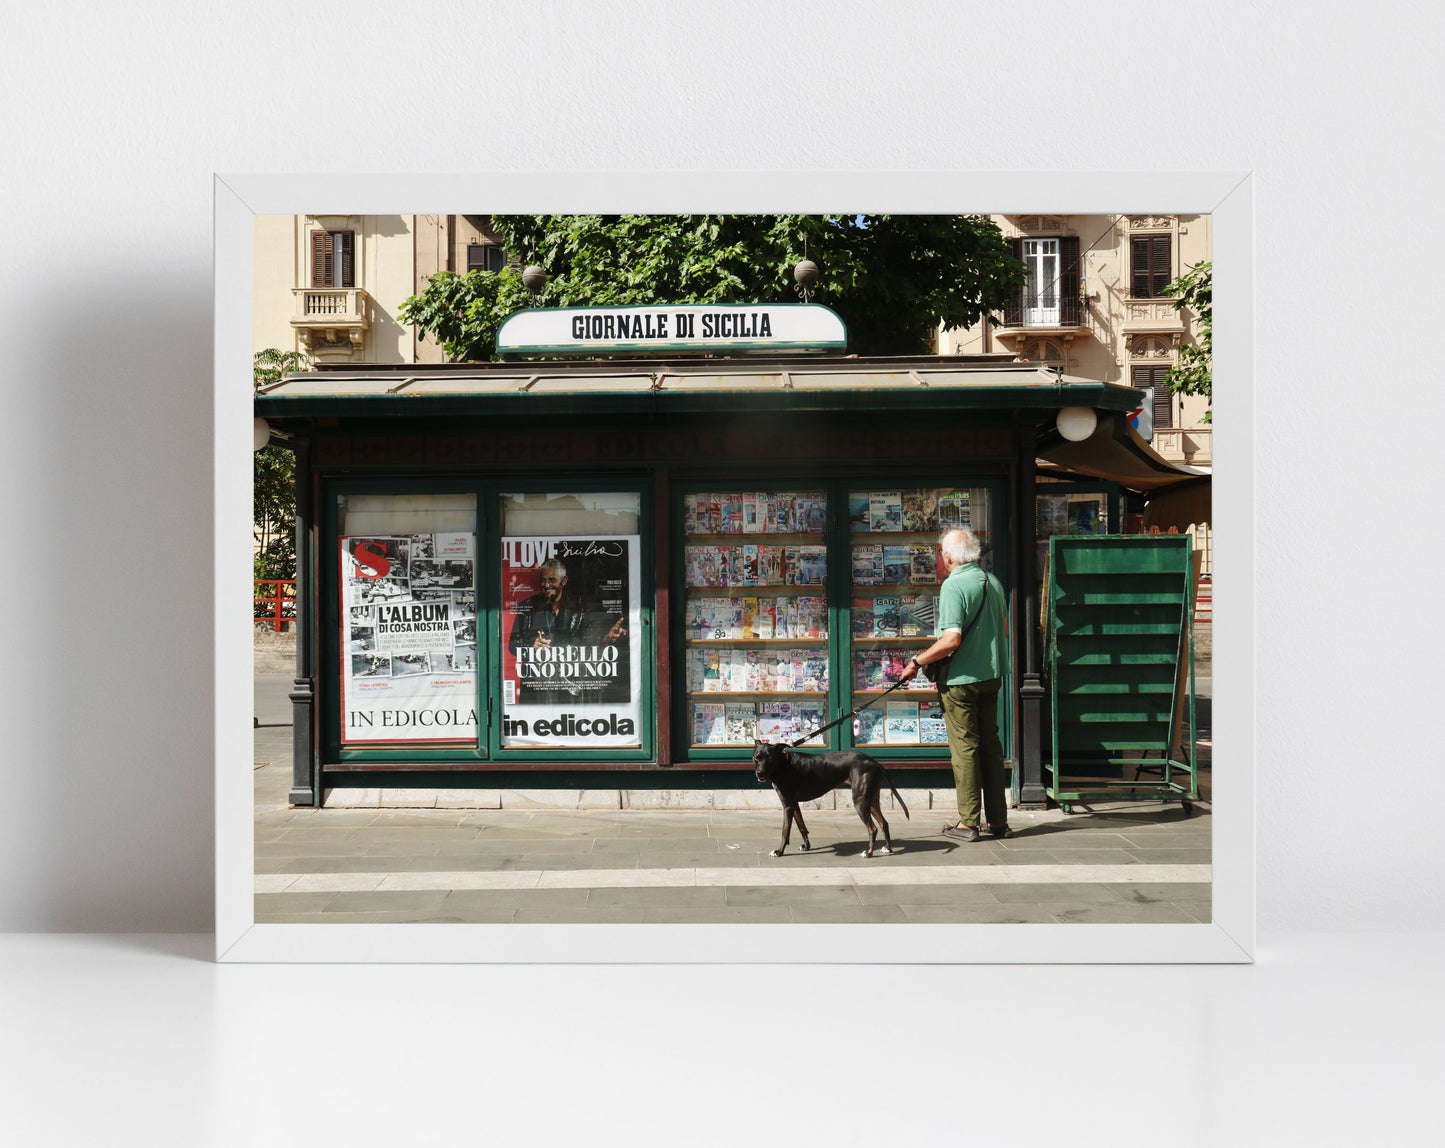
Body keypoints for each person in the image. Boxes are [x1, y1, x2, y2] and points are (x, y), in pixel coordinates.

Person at [898, 527, 1012, 841]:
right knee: (990, 748)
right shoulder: (993, 582)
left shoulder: (953, 585)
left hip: (961, 680)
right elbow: (1002, 629)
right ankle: (998, 821)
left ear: (947, 556)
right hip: (991, 676)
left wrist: (917, 662)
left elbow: (951, 639)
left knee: (964, 749)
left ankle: (968, 822)